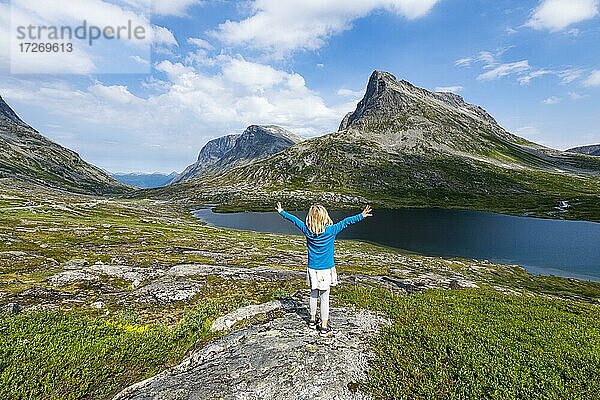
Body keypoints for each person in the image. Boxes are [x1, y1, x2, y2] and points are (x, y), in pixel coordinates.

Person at [276, 202, 372, 337]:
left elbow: (294, 220)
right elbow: (346, 222)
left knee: (313, 294)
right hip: (326, 270)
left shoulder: (307, 230)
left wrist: (281, 212)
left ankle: (312, 320)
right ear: (325, 216)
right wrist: (361, 215)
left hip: (312, 269)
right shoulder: (331, 230)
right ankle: (324, 327)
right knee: (324, 297)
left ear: (310, 218)